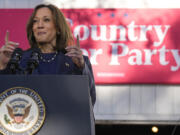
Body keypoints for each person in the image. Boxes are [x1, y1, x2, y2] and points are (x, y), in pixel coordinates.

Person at [0, 4, 96, 106]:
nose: (39, 25)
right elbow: (5, 98)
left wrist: (80, 68)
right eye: (35, 21)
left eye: (46, 20)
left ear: (58, 28)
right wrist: (2, 66)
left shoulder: (75, 61)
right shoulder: (19, 60)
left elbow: (89, 101)